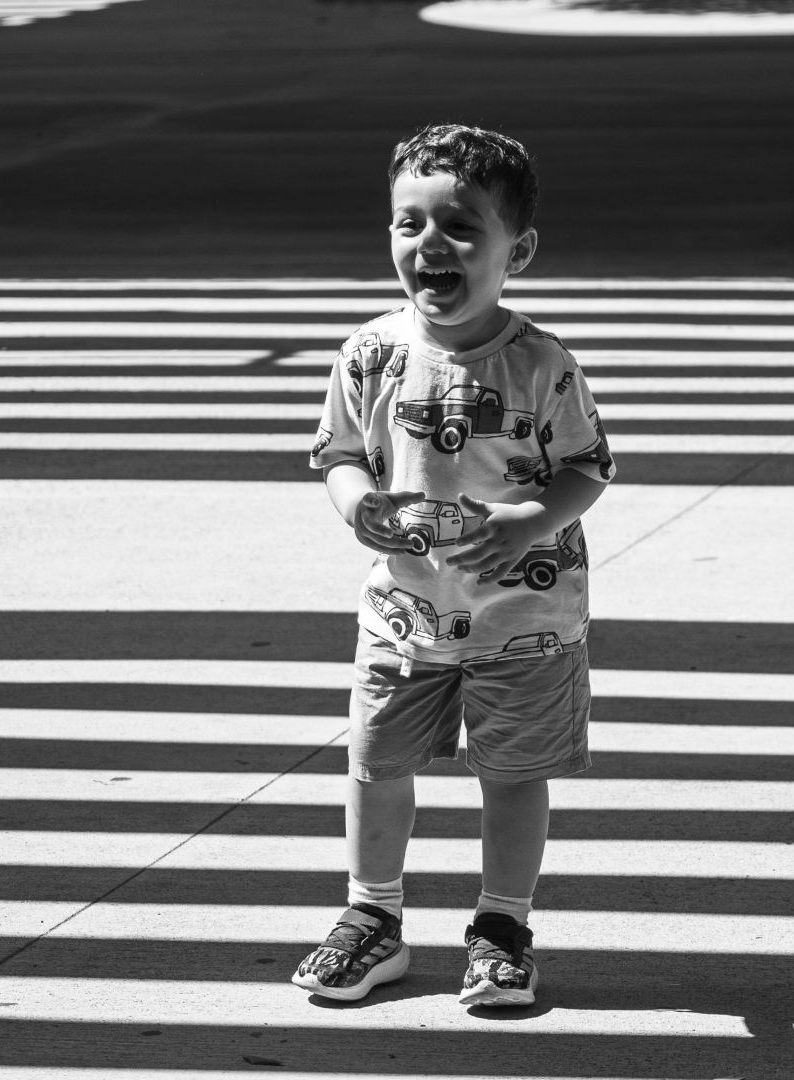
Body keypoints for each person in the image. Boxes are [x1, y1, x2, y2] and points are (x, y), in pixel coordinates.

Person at [292, 123, 614, 1008]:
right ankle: (371, 919)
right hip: (404, 612)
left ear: (520, 251)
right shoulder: (371, 352)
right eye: (408, 224)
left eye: (462, 227)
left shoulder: (542, 365)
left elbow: (589, 465)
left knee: (512, 775)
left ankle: (502, 927)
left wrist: (527, 520)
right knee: (375, 764)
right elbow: (340, 453)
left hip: (525, 622)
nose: (430, 244)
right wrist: (357, 503)